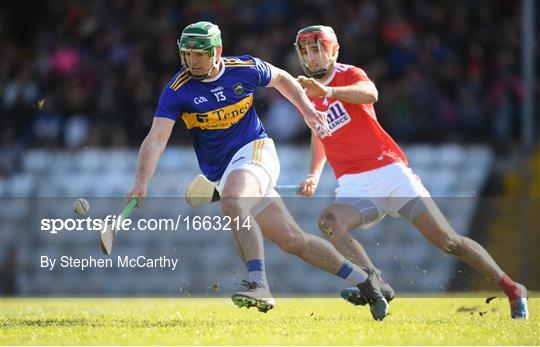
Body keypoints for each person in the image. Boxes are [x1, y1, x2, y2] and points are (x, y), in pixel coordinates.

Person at [127, 21, 389, 319]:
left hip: (256, 151)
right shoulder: (178, 90)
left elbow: (283, 79)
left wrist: (307, 111)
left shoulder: (245, 67)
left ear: (218, 52)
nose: (193, 61)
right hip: (224, 171)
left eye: (200, 54)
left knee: (232, 201)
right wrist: (141, 181)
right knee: (293, 241)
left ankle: (258, 285)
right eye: (187, 54)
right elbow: (157, 138)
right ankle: (365, 280)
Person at [294, 25, 529, 319]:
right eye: (306, 51)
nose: (312, 57)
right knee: (329, 221)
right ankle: (375, 281)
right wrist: (314, 173)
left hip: (389, 172)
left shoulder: (348, 74)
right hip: (353, 185)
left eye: (317, 49)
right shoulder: (306, 95)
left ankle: (512, 288)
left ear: (333, 50)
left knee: (449, 242)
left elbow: (370, 94)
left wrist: (327, 90)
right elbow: (319, 134)